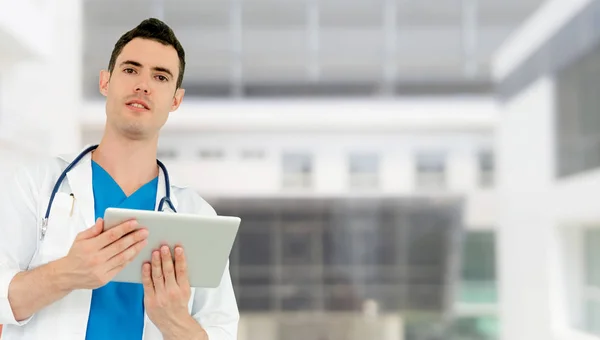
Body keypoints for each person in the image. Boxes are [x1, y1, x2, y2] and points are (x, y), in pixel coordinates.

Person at [0, 18, 239, 340]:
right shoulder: (36, 186)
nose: (143, 84)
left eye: (160, 76)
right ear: (105, 82)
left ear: (175, 100)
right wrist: (68, 273)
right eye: (130, 70)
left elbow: (222, 330)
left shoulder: (196, 216)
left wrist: (173, 321)